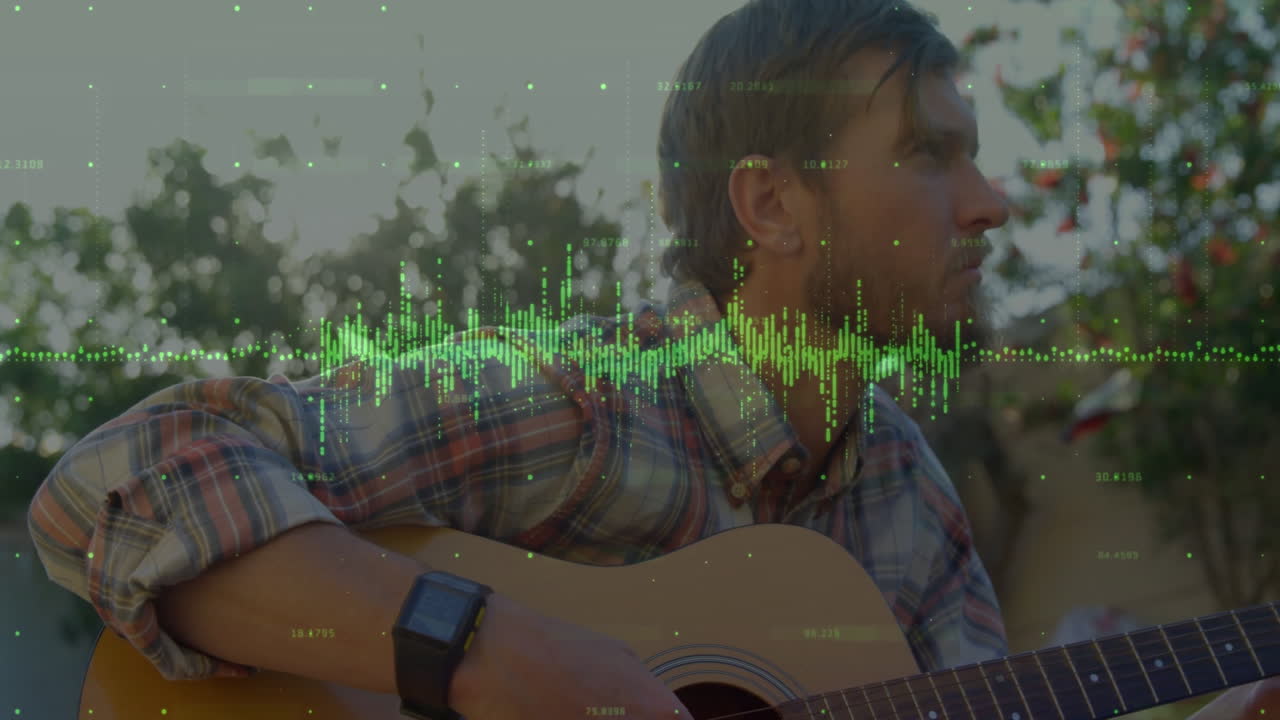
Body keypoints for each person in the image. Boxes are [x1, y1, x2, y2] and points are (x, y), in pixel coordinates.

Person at [24, 0, 1271, 718]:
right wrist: (479, 648)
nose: (991, 201)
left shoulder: (912, 506)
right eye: (931, 153)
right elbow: (123, 476)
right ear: (772, 207)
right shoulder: (567, 402)